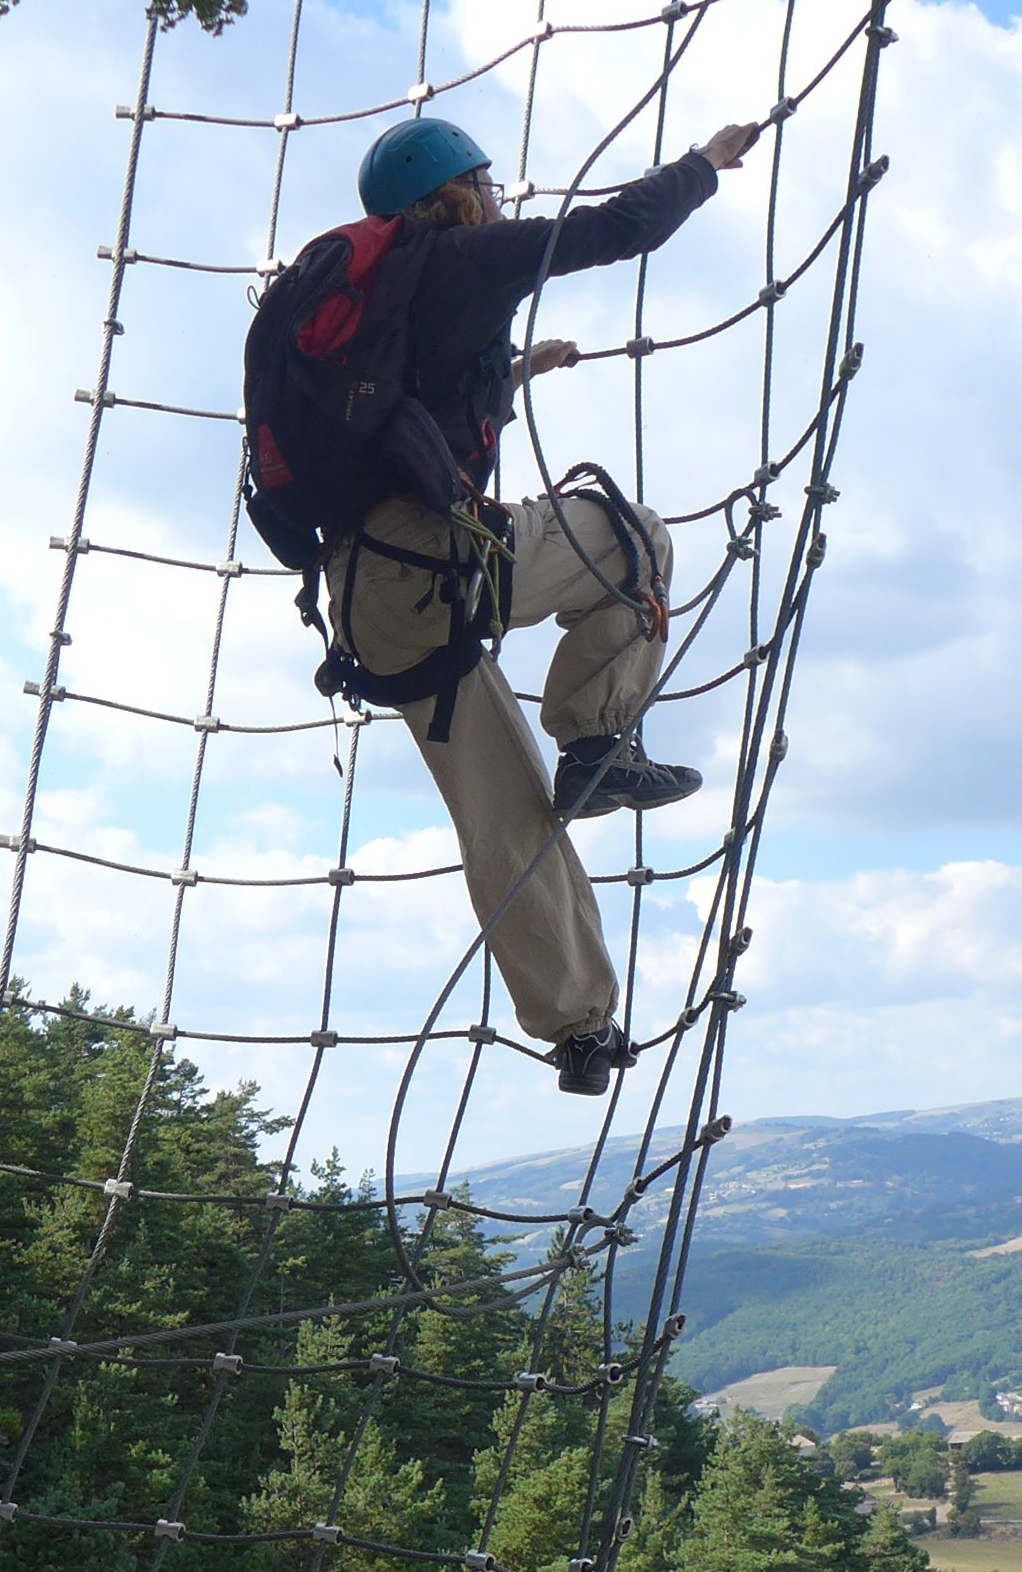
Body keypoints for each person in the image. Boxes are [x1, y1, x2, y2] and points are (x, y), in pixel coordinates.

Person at [325, 110, 761, 1092]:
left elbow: (398, 424)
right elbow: (617, 231)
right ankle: (601, 743)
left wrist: (515, 370)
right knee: (633, 535)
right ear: (454, 196)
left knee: (505, 815)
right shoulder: (457, 260)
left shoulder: (366, 308)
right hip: (444, 559)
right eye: (489, 181)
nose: (501, 194)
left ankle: (578, 1032)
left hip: (366, 601)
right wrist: (706, 163)